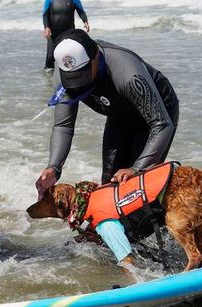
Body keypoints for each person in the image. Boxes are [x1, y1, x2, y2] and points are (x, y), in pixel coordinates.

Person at [35, 29, 179, 199]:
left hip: (157, 117)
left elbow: (162, 124)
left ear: (95, 55)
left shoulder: (128, 74)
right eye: (71, 77)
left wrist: (136, 169)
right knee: (109, 187)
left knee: (136, 188)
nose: (79, 83)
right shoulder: (63, 73)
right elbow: (63, 126)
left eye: (83, 73)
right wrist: (53, 167)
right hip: (119, 116)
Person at [42, 0, 89, 71]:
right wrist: (46, 27)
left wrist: (85, 21)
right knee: (50, 56)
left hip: (69, 32)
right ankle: (48, 78)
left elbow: (80, 11)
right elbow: (45, 14)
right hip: (53, 32)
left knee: (68, 54)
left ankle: (68, 74)